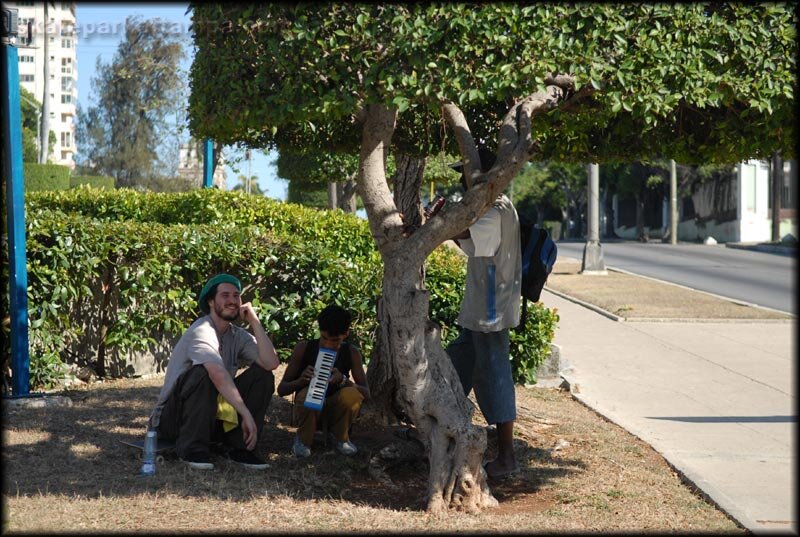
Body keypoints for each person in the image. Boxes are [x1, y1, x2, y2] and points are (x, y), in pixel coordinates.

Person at [147, 273, 280, 470]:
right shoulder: (201, 330)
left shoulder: (237, 335)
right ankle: (192, 449)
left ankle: (238, 447)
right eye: (225, 295)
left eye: (236, 295)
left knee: (263, 375)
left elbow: (271, 363)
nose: (232, 301)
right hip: (173, 422)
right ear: (210, 301)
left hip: (213, 416)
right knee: (203, 372)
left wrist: (254, 321)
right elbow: (216, 372)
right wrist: (246, 414)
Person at [446, 146, 521, 479]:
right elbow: (471, 246)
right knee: (454, 368)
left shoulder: (496, 209)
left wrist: (438, 222)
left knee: (495, 375)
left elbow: (474, 239)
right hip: (478, 309)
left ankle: (507, 456)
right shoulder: (488, 208)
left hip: (489, 312)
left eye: (466, 175)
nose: (463, 181)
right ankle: (442, 433)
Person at [278, 305, 370, 458]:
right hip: (310, 410)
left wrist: (344, 381)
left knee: (351, 395)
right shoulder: (304, 348)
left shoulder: (352, 352)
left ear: (346, 334)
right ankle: (304, 440)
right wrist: (301, 381)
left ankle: (340, 438)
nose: (328, 344)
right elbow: (282, 390)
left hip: (335, 410)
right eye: (324, 338)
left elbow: (366, 394)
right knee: (310, 393)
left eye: (335, 340)